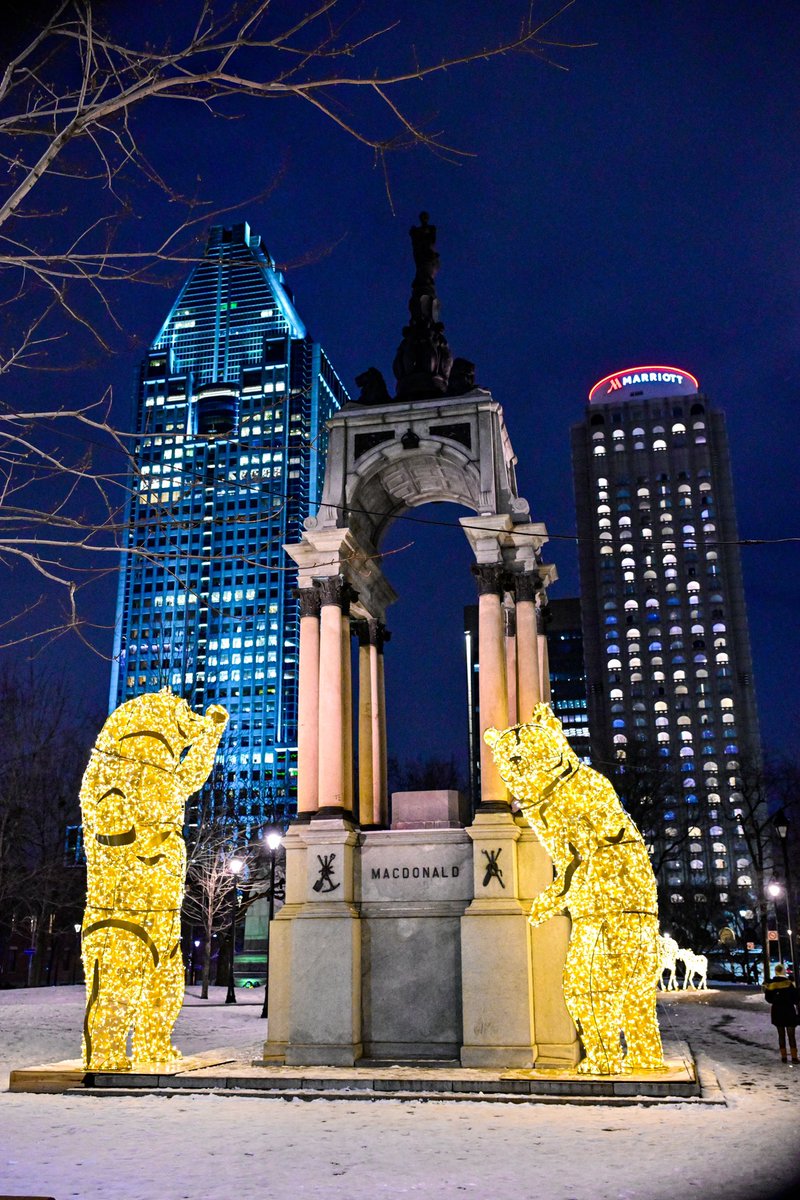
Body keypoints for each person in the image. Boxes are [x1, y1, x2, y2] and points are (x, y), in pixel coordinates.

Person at [764, 963, 799, 1063]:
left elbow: (768, 999)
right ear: (783, 971)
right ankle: (794, 1057)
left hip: (777, 1011)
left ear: (775, 971)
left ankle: (784, 1057)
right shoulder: (789, 984)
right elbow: (796, 999)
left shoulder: (771, 985)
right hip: (789, 1010)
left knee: (781, 1035)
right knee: (791, 1035)